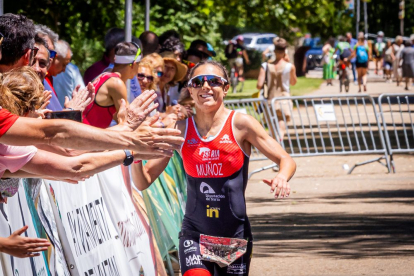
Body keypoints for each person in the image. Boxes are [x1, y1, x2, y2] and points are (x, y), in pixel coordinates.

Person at [131, 60, 296, 276]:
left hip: (234, 237)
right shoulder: (180, 130)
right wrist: (133, 155)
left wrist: (282, 177)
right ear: (190, 89)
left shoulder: (241, 125)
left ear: (225, 88)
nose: (205, 87)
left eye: (214, 81)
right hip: (195, 236)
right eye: (198, 82)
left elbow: (286, 159)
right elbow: (144, 180)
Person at [83, 42, 142, 128]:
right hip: (87, 136)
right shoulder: (116, 83)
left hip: (85, 132)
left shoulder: (104, 75)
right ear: (134, 64)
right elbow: (129, 121)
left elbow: (116, 116)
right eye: (139, 65)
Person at [257, 38, 297, 140]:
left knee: (271, 123)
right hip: (284, 99)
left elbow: (259, 85)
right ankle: (280, 138)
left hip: (270, 99)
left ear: (274, 51)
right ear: (285, 51)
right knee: (281, 121)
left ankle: (276, 140)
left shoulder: (265, 66)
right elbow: (293, 82)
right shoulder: (290, 66)